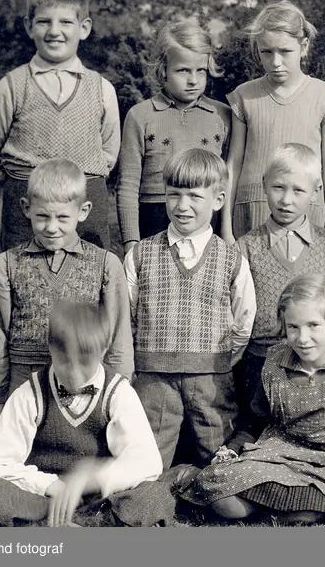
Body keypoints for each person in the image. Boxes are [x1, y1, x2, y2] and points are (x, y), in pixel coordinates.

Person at [183, 273, 325, 525]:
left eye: (313, 325)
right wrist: (233, 450)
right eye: (293, 327)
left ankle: (286, 507)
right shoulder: (275, 360)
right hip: (276, 455)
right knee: (223, 498)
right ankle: (274, 505)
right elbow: (255, 420)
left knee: (307, 512)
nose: (302, 338)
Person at [0, 301, 167, 527]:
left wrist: (90, 479)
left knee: (154, 497)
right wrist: (50, 485)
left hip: (100, 502)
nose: (74, 374)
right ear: (50, 349)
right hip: (41, 502)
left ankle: (75, 528)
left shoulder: (118, 393)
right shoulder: (30, 394)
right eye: (64, 361)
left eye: (84, 363)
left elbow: (147, 462)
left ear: (104, 349)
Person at [124, 148, 256, 469]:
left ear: (218, 200)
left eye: (195, 196)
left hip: (211, 380)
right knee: (148, 457)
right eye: (174, 195)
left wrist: (221, 360)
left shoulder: (231, 259)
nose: (182, 206)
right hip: (153, 379)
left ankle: (214, 490)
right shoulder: (140, 254)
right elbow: (127, 316)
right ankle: (149, 494)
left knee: (219, 453)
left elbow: (244, 319)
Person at [0, 0, 121, 253]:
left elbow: (108, 155)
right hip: (27, 208)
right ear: (29, 27)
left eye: (65, 22)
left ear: (84, 28)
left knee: (88, 274)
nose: (54, 31)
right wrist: (25, 182)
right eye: (43, 21)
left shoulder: (102, 88)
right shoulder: (11, 86)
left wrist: (76, 185)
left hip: (86, 205)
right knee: (23, 275)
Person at [0, 159, 133, 425]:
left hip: (84, 383)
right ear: (26, 208)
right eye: (42, 216)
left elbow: (118, 337)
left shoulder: (106, 265)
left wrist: (119, 393)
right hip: (24, 383)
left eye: (63, 217)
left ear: (83, 211)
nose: (52, 227)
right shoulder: (5, 266)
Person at [233, 144, 325, 438]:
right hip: (260, 364)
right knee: (253, 435)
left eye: (298, 190)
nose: (286, 200)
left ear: (316, 191)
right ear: (264, 185)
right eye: (278, 188)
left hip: (317, 367)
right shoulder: (246, 247)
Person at [223, 0, 325, 240]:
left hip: (309, 214)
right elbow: (233, 164)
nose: (276, 62)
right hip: (252, 213)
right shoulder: (244, 96)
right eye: (266, 52)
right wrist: (226, 228)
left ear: (303, 46)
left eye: (285, 52)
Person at [117, 18, 231, 251]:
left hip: (206, 219)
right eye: (183, 70)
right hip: (154, 218)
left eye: (200, 71)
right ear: (163, 71)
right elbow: (128, 185)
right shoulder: (140, 115)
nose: (193, 80)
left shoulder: (222, 116)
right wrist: (131, 242)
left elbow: (227, 183)